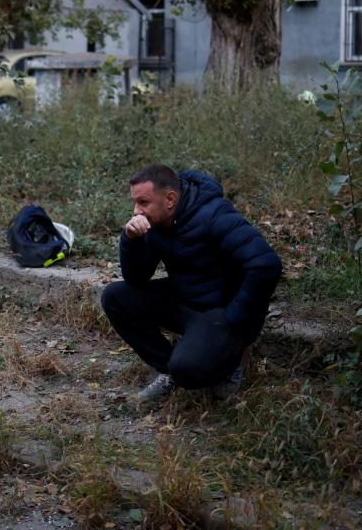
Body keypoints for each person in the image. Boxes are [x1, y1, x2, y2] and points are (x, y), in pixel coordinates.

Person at [101, 164, 283, 402]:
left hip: (222, 312)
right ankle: (169, 370)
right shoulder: (155, 222)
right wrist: (131, 240)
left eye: (143, 203)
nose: (137, 211)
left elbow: (266, 265)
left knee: (189, 370)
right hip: (187, 300)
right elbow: (136, 279)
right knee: (115, 297)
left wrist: (235, 320)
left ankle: (227, 362)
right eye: (135, 203)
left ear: (170, 199)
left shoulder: (215, 214)